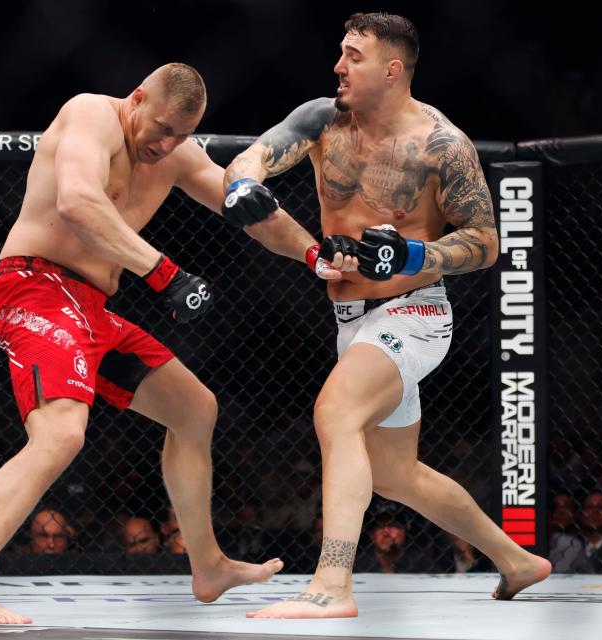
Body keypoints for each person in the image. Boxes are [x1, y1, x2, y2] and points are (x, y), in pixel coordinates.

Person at [0, 63, 336, 625]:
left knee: (195, 408)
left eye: (180, 135)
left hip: (91, 309)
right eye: (163, 127)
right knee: (61, 435)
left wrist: (317, 257)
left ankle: (208, 566)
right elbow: (77, 201)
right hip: (35, 289)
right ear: (138, 97)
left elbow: (251, 211)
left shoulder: (176, 154)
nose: (166, 143)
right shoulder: (90, 115)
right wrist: (165, 274)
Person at [223, 13, 550, 618]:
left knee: (335, 412)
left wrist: (414, 251)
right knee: (395, 474)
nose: (338, 66)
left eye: (353, 56)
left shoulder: (441, 143)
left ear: (392, 69)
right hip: (352, 320)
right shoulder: (322, 119)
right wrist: (244, 187)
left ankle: (332, 585)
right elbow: (251, 159)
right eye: (340, 53)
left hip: (415, 311)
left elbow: (486, 241)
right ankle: (517, 560)